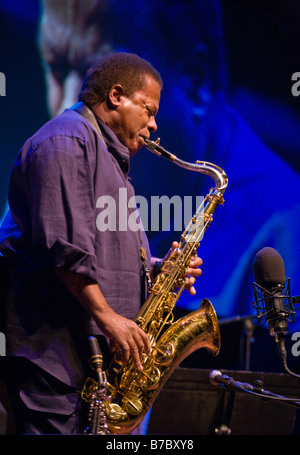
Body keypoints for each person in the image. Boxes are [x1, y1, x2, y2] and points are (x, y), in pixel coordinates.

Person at [0, 52, 202, 434]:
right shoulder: (65, 140)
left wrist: (160, 270)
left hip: (90, 365)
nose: (154, 124)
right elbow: (63, 249)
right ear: (115, 96)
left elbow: (97, 249)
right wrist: (108, 318)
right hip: (58, 359)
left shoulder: (106, 155)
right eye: (148, 110)